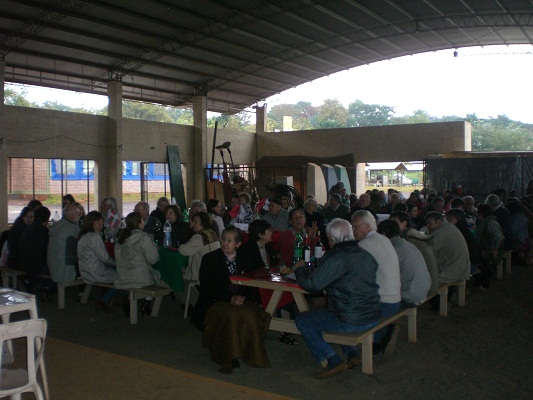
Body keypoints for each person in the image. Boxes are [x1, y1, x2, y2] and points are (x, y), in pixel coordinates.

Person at [294, 218, 380, 379]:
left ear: (332, 239)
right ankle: (352, 352)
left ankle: (332, 360)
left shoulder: (336, 257)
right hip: (373, 313)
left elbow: (313, 285)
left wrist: (300, 270)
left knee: (303, 320)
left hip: (351, 319)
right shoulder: (364, 253)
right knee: (333, 311)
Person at [197, 227, 271, 374]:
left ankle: (252, 354)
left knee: (250, 316)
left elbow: (252, 281)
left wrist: (242, 296)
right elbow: (206, 287)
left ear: (238, 244)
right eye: (223, 240)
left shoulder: (245, 258)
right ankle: (228, 357)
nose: (225, 243)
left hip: (240, 300)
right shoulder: (210, 259)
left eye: (230, 241)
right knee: (231, 317)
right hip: (216, 300)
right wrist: (229, 298)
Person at [351, 210, 401, 353]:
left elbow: (356, 276)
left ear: (366, 226)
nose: (353, 231)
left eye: (355, 227)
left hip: (383, 303)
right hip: (394, 299)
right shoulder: (383, 239)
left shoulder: (365, 245)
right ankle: (384, 333)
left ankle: (377, 340)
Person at [377, 220, 431, 307]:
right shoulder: (407, 244)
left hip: (410, 296)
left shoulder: (392, 249)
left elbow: (385, 276)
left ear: (383, 234)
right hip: (423, 290)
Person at [389, 211, 439, 295]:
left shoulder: (408, 240)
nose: (390, 227)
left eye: (394, 223)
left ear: (404, 224)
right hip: (428, 281)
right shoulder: (414, 235)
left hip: (424, 286)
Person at [78, 211, 117, 313]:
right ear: (92, 222)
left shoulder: (83, 235)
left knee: (113, 272)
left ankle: (107, 299)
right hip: (95, 271)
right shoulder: (94, 237)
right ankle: (104, 300)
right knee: (121, 277)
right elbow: (105, 258)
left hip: (85, 270)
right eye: (99, 222)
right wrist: (117, 264)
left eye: (102, 222)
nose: (101, 224)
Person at [114, 212, 161, 290]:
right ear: (139, 223)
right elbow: (153, 259)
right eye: (142, 220)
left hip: (122, 279)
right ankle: (148, 299)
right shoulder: (143, 238)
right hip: (140, 279)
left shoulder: (120, 240)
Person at [425, 211, 470, 284]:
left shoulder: (440, 231)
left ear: (439, 221)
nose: (427, 226)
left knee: (424, 276)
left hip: (454, 271)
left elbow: (429, 251)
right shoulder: (448, 226)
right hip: (462, 268)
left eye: (430, 223)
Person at [18, 206, 54, 293]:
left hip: (24, 263)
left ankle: (34, 283)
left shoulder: (28, 228)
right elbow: (47, 250)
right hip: (37, 266)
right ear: (47, 219)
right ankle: (43, 285)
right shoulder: (43, 231)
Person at [178, 212, 220, 282]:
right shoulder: (213, 233)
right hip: (212, 273)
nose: (192, 224)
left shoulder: (199, 237)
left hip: (198, 276)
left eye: (195, 221)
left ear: (202, 223)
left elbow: (183, 250)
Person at [47, 204, 81, 283]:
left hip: (54, 270)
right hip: (67, 273)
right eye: (78, 215)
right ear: (72, 216)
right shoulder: (73, 229)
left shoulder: (56, 226)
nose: (80, 217)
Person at [473, 204, 503, 289]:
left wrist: (495, 249)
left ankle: (482, 282)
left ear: (481, 213)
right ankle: (480, 281)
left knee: (475, 256)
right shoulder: (486, 221)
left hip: (490, 250)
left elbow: (499, 237)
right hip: (486, 248)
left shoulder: (491, 222)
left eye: (477, 212)